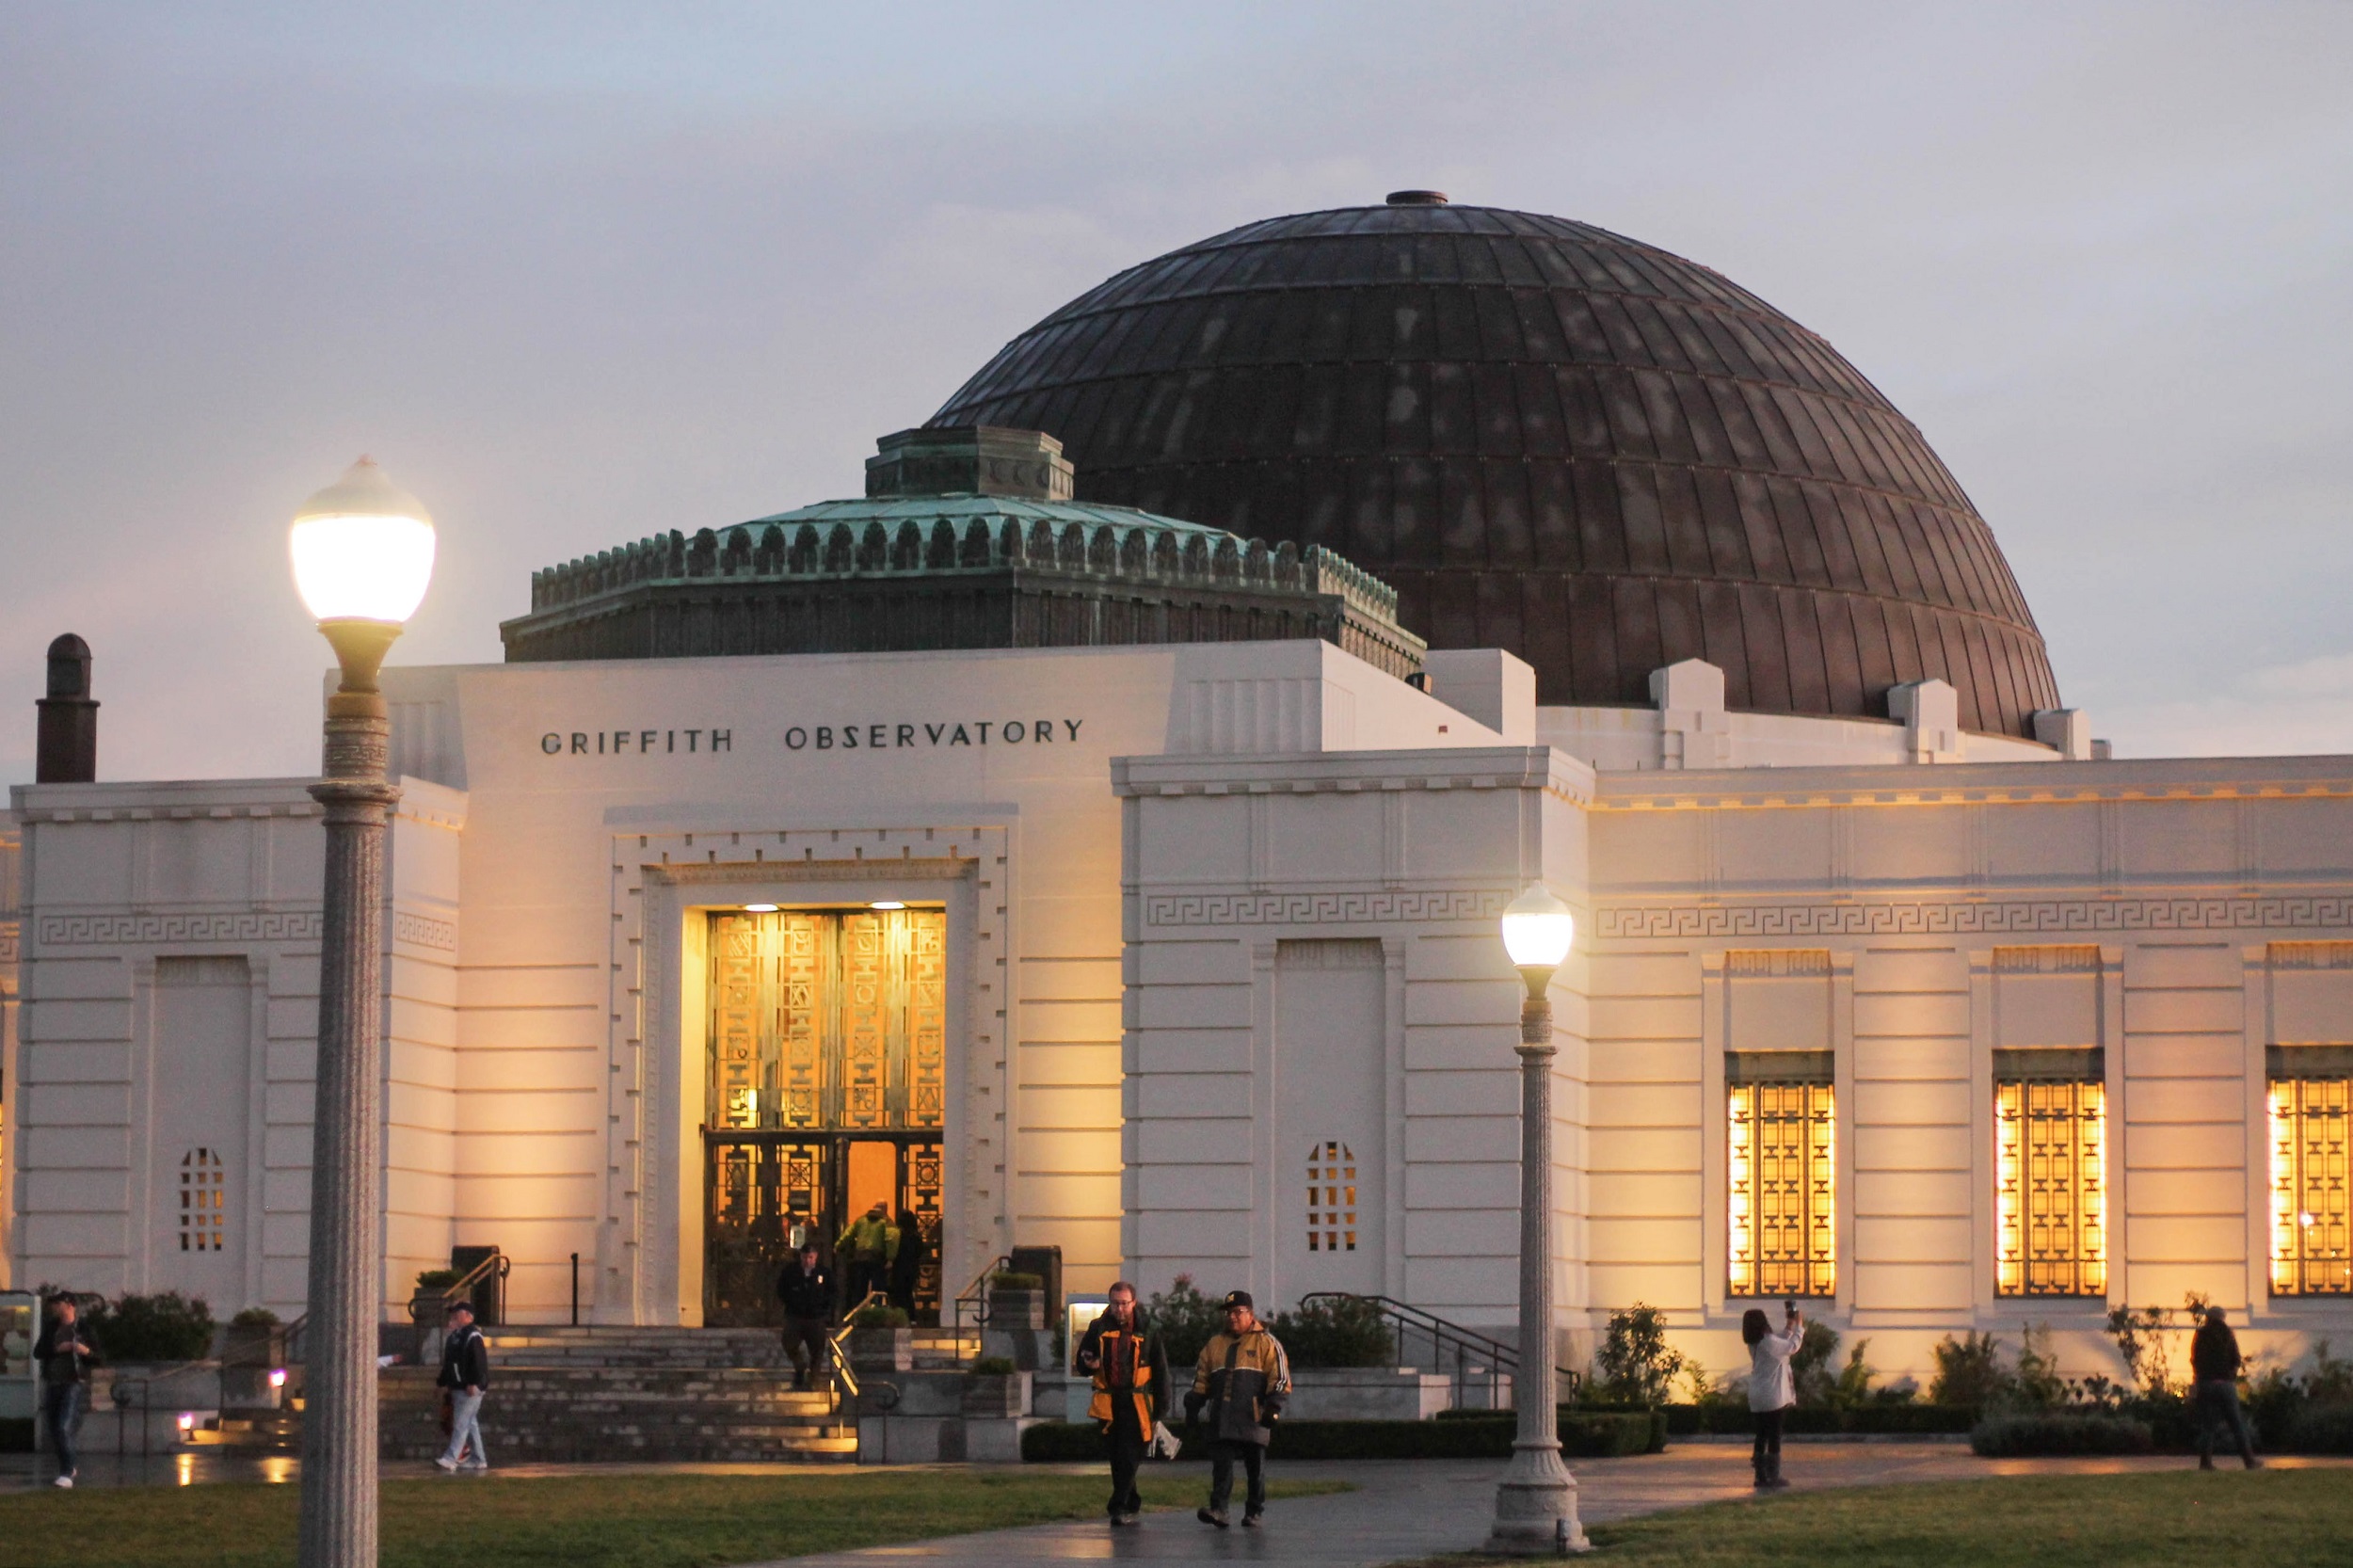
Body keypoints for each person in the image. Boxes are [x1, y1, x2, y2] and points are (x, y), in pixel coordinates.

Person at [1183, 1289, 1289, 1529]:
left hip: (1253, 1417)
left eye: (1237, 1312)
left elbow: (1280, 1378)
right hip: (1222, 1417)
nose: (1232, 1317)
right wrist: (1194, 1403)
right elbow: (1201, 1378)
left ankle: (1254, 1511)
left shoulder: (1267, 1343)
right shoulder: (1214, 1344)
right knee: (1221, 1467)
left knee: (1255, 1468)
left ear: (1250, 1314)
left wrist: (1273, 1407)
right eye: (1228, 1313)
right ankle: (1219, 1510)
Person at [1077, 1281, 1170, 1528]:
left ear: (1134, 1303)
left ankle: (1118, 1505)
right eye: (1116, 1303)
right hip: (1108, 1402)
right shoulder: (1097, 1328)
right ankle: (1132, 1501)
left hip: (1138, 1402)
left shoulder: (1149, 1329)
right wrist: (1090, 1364)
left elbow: (1161, 1371)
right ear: (1110, 1303)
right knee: (1118, 1456)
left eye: (1124, 1304)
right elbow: (1082, 1362)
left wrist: (1162, 1407)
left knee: (1131, 1453)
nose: (1120, 1309)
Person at [33, 1296, 100, 1489]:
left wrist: (85, 1351)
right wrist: (57, 1349)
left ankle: (66, 1472)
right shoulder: (51, 1327)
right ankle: (68, 1467)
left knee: (63, 1426)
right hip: (54, 1382)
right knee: (55, 1429)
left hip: (74, 1382)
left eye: (59, 1305)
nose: (55, 1308)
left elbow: (98, 1357)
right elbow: (38, 1352)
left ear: (70, 1306)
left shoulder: (83, 1328)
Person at [2190, 1304, 2261, 1471]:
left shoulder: (2200, 1335)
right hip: (2225, 1385)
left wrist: (2200, 1377)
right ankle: (2249, 1461)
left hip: (2207, 1384)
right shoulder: (2228, 1334)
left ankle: (2205, 1462)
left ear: (2208, 1318)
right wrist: (2230, 1375)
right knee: (2237, 1424)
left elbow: (2195, 1359)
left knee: (2208, 1426)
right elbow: (2236, 1359)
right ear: (2222, 1318)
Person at [1743, 1304, 1801, 1491]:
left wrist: (1789, 1326)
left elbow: (1780, 1343)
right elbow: (1791, 1347)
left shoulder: (1756, 1343)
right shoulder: (1768, 1343)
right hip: (1772, 1396)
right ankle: (1773, 1475)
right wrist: (1799, 1328)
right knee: (1774, 1436)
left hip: (1757, 1395)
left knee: (1761, 1435)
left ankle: (1760, 1476)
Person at [434, 1299, 491, 1473]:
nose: (454, 1316)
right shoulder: (455, 1337)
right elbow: (449, 1364)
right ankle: (478, 1459)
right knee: (470, 1424)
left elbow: (479, 1362)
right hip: (459, 1387)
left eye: (458, 1313)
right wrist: (442, 1383)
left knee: (461, 1423)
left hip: (469, 1388)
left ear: (468, 1316)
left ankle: (451, 1458)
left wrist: (475, 1383)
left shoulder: (472, 1336)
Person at [776, 1240, 834, 1391]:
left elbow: (832, 1292)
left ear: (815, 1257)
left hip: (816, 1317)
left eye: (811, 1258)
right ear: (800, 1257)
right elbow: (781, 1289)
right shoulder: (791, 1271)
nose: (807, 1261)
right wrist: (790, 1302)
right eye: (805, 1258)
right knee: (789, 1343)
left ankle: (813, 1380)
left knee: (817, 1350)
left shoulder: (824, 1273)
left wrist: (825, 1310)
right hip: (795, 1316)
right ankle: (799, 1365)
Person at [837, 1201, 895, 1305]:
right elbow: (891, 1240)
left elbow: (848, 1234)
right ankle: (875, 1310)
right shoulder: (885, 1223)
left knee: (860, 1288)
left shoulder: (861, 1220)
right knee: (877, 1289)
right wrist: (890, 1258)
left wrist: (838, 1246)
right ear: (885, 1209)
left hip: (860, 1257)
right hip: (877, 1258)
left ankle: (858, 1312)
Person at [888, 1208, 925, 1317]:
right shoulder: (917, 1237)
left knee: (898, 1294)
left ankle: (900, 1316)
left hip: (899, 1269)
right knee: (908, 1294)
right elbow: (919, 1252)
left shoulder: (898, 1235)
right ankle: (911, 1317)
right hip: (912, 1269)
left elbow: (894, 1250)